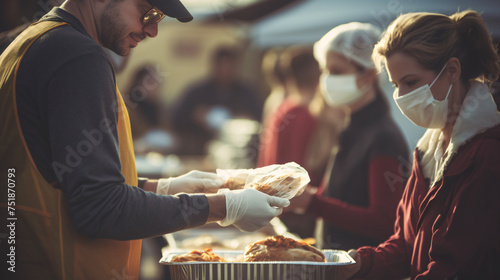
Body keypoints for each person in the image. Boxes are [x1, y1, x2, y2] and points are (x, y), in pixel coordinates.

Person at [0, 0, 289, 279]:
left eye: (159, 18)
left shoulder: (28, 42)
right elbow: (100, 209)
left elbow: (69, 182)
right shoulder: (78, 56)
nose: (152, 30)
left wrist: (162, 187)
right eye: (147, 12)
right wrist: (224, 207)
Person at [340, 10, 500, 280]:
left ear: (451, 71)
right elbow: (405, 246)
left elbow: (454, 269)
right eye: (395, 84)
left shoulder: (486, 156)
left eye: (411, 82)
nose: (401, 96)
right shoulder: (427, 151)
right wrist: (359, 263)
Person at [287, 22, 409, 251]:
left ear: (369, 75)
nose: (327, 79)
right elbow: (341, 194)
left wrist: (314, 203)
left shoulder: (382, 137)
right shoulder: (350, 126)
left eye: (337, 71)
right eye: (325, 70)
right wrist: (305, 194)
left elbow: (385, 222)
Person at [171, 46, 262, 155]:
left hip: (237, 152)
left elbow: (259, 120)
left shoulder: (247, 93)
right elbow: (177, 119)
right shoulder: (197, 92)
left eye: (229, 66)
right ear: (214, 66)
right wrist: (196, 117)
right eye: (222, 65)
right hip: (200, 149)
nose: (225, 70)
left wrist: (238, 119)